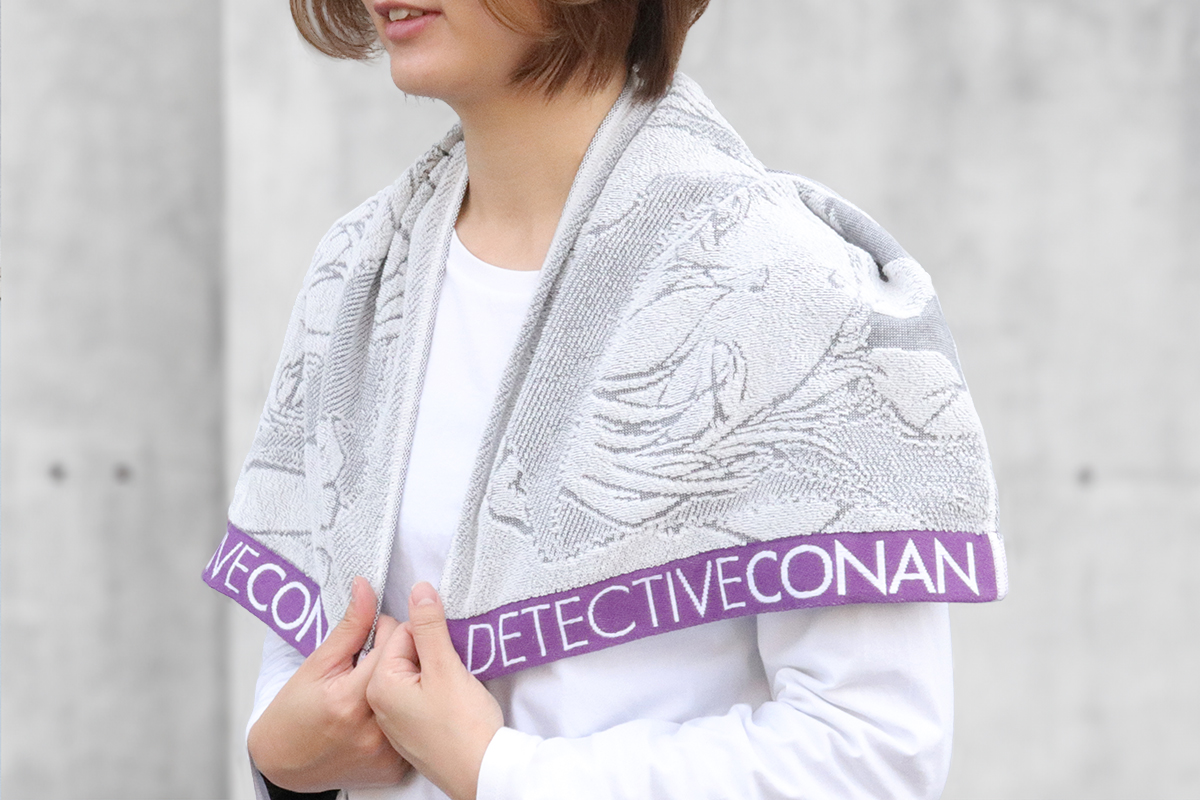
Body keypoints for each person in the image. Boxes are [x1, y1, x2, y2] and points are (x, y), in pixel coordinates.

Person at [208, 1, 1007, 798]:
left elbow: (870, 754)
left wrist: (500, 774)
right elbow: (313, 642)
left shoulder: (781, 289)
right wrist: (280, 760)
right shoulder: (358, 275)